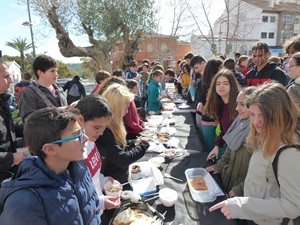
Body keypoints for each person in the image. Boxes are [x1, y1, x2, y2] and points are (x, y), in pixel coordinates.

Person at [209, 82, 300, 225]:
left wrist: (242, 206)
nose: (256, 121)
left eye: (262, 115)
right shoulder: (263, 135)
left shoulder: (289, 152)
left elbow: (293, 205)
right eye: (252, 114)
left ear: (279, 115)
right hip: (255, 216)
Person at [0, 107, 101, 224]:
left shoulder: (79, 167)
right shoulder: (24, 203)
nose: (85, 138)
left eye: (81, 131)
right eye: (76, 135)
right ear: (50, 149)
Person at [75, 95, 121, 221]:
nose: (101, 133)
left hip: (98, 210)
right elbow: (75, 196)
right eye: (96, 127)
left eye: (104, 128)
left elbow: (91, 174)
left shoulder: (90, 139)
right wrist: (100, 202)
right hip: (89, 214)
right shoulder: (73, 151)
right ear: (80, 120)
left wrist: (103, 179)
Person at [206, 87, 255, 198]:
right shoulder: (239, 122)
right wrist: (219, 166)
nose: (237, 108)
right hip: (230, 180)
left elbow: (260, 172)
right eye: (237, 103)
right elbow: (229, 149)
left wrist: (240, 189)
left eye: (242, 104)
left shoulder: (258, 132)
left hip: (244, 191)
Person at [95, 84, 149, 185]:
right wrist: (143, 146)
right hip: (113, 183)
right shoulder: (105, 130)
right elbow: (122, 160)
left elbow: (117, 145)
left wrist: (133, 143)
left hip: (120, 177)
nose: (127, 111)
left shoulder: (114, 124)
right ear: (117, 107)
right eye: (125, 107)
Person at [0, 60, 28, 182]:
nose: (11, 80)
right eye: (6, 76)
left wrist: (33, 130)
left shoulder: (3, 103)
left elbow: (8, 131)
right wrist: (11, 158)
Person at [18, 54, 68, 121]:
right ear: (40, 73)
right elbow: (28, 120)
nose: (56, 74)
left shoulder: (58, 89)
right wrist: (58, 110)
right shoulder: (28, 93)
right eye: (52, 71)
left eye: (56, 71)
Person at [203, 69, 240, 159]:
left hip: (236, 153)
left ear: (232, 85)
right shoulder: (221, 105)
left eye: (225, 83)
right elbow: (224, 131)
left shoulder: (238, 106)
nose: (221, 87)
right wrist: (216, 146)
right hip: (227, 151)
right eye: (218, 84)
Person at [197, 58, 223, 152]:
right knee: (209, 147)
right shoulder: (202, 83)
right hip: (208, 118)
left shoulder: (224, 83)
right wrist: (199, 104)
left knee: (221, 148)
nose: (223, 69)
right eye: (221, 67)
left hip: (222, 120)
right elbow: (199, 97)